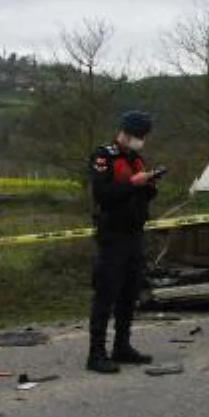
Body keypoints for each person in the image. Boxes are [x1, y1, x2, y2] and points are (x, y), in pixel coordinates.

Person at [87, 111, 163, 374]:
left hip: (134, 233)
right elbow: (103, 194)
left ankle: (122, 346)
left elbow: (142, 195)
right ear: (127, 134)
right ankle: (96, 353)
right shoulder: (104, 156)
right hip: (112, 235)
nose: (142, 142)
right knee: (106, 293)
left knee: (130, 293)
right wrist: (133, 183)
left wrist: (149, 184)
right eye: (140, 137)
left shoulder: (137, 159)